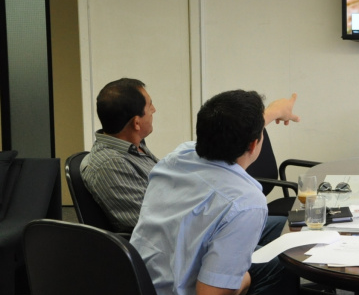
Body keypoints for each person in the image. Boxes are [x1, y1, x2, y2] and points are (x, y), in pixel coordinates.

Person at [129, 90, 313, 295]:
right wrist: (245, 279)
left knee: (273, 256)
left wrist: (272, 112)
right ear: (254, 144)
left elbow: (229, 131)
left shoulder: (177, 157)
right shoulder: (246, 201)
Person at [81, 78, 300, 233]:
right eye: (149, 106)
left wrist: (270, 113)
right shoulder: (109, 165)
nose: (154, 110)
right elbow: (156, 226)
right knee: (279, 259)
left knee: (290, 226)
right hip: (186, 247)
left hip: (200, 225)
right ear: (136, 123)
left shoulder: (132, 147)